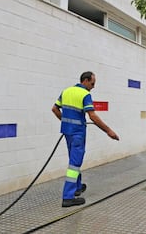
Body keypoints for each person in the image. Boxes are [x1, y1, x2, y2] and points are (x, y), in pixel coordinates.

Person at [52, 71, 119, 207]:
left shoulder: (66, 91)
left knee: (74, 160)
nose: (93, 87)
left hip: (67, 132)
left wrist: (66, 121)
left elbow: (55, 109)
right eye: (92, 83)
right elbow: (92, 116)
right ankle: (68, 197)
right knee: (74, 164)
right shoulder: (85, 94)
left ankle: (77, 187)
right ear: (86, 80)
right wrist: (108, 131)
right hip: (77, 133)